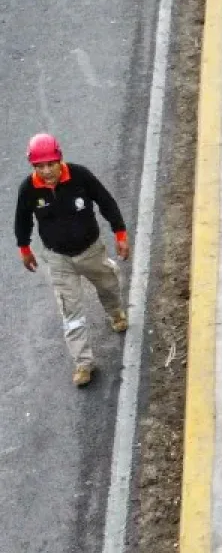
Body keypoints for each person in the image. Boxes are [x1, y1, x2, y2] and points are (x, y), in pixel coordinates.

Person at [13, 135, 130, 388]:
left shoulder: (80, 176)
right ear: (33, 166)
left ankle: (116, 314)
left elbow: (106, 202)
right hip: (58, 259)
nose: (46, 171)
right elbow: (22, 219)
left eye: (50, 164)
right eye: (39, 166)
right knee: (70, 311)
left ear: (60, 159)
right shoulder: (29, 189)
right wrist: (24, 248)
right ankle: (83, 363)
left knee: (108, 285)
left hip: (91, 252)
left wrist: (120, 233)